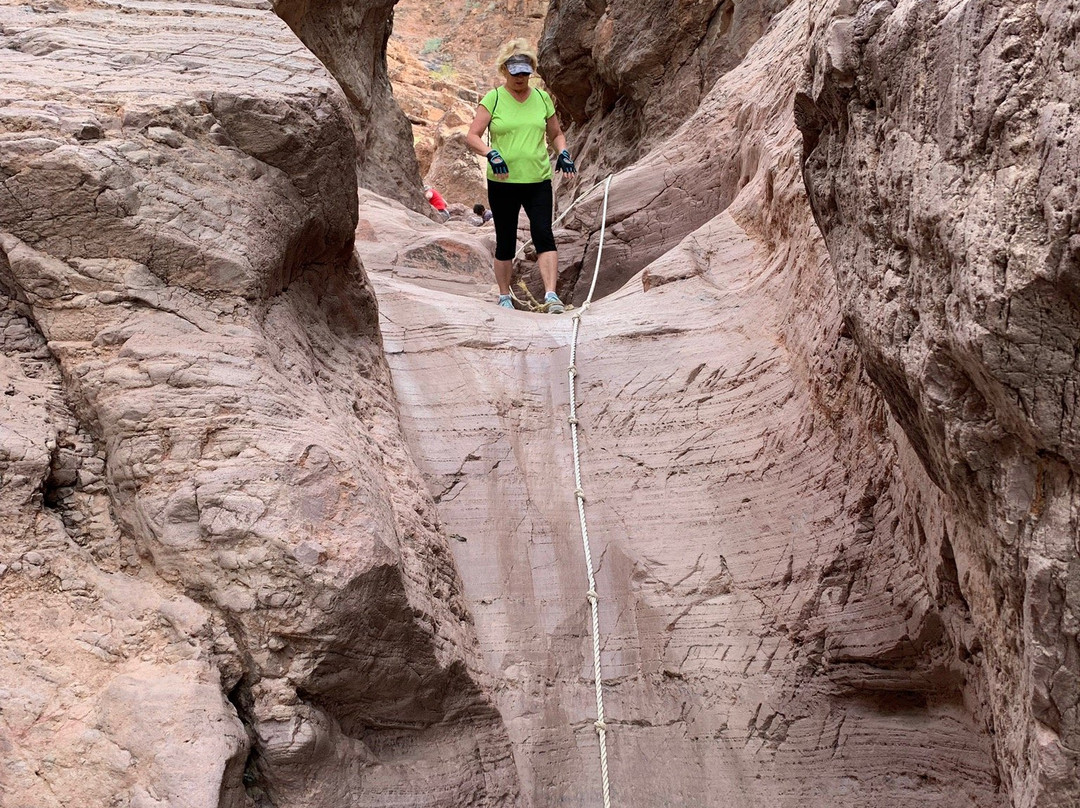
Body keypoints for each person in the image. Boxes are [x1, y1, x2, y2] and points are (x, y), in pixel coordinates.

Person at [466, 39, 577, 312]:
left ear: (532, 71)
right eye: (515, 72)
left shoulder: (541, 98)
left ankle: (551, 296)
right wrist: (490, 153)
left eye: (525, 73)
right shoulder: (493, 99)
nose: (520, 78)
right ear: (505, 70)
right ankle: (504, 296)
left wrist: (563, 152)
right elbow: (472, 136)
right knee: (505, 238)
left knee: (543, 234)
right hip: (503, 181)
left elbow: (556, 134)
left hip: (538, 179)